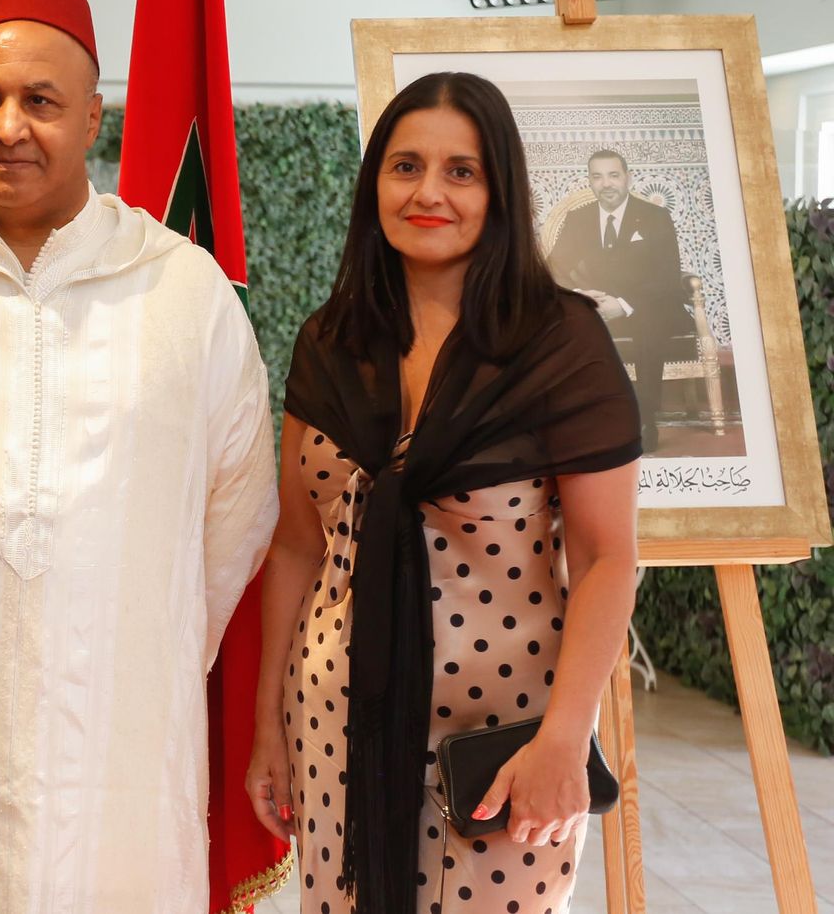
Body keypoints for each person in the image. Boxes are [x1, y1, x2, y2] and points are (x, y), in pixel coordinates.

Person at [0, 0, 279, 912]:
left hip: (119, 727)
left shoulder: (186, 292)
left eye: (41, 100)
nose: (8, 127)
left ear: (93, 116)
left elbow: (237, 510)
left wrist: (124, 621)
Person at [245, 73, 641, 914]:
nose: (429, 192)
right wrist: (266, 728)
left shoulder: (559, 343)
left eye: (461, 171)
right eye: (405, 166)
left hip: (503, 739)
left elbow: (608, 559)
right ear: (374, 185)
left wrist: (568, 738)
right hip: (335, 724)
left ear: (499, 189)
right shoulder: (332, 339)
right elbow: (294, 547)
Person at [546, 148, 689, 452]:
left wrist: (622, 304)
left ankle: (644, 418)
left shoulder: (655, 216)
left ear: (628, 178)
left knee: (648, 324)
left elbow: (666, 276)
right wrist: (582, 297)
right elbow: (553, 268)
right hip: (595, 307)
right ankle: (576, 419)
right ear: (590, 181)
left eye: (613, 175)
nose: (606, 183)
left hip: (648, 305)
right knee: (560, 321)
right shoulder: (578, 219)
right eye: (597, 176)